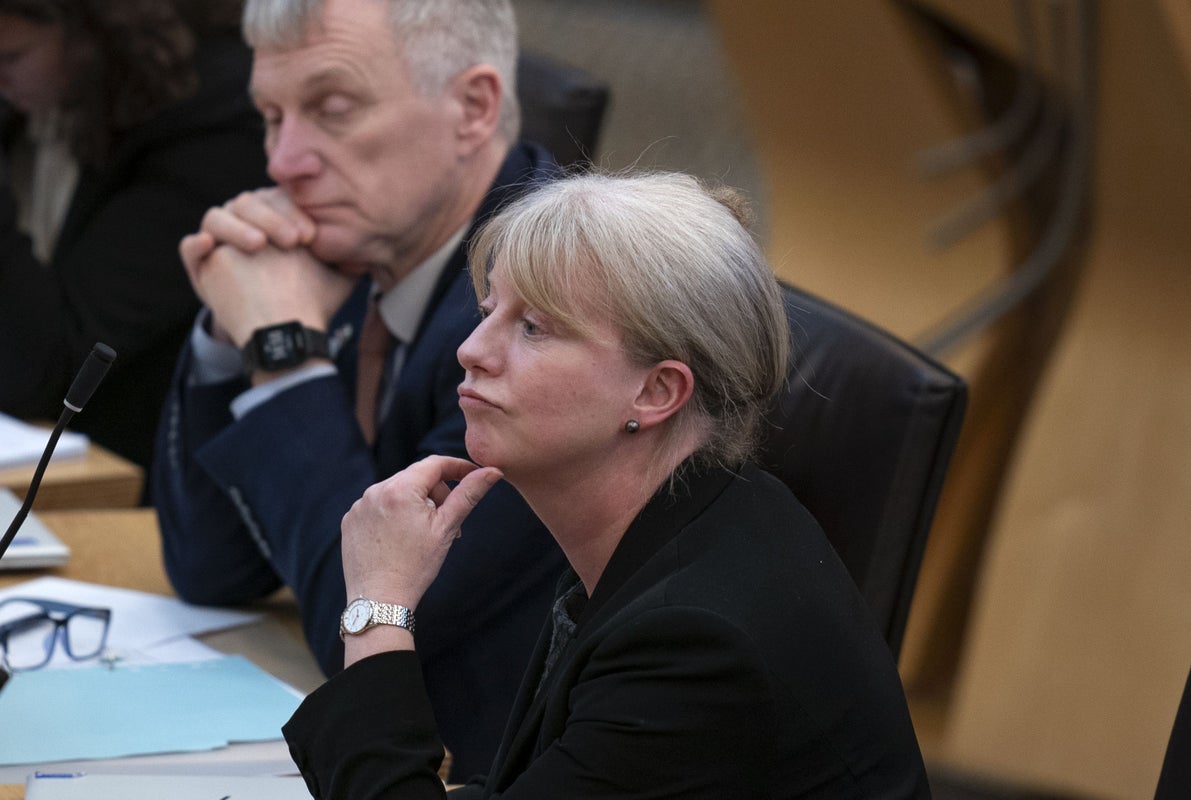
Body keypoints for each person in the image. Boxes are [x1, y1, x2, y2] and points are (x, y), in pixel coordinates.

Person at [283, 171, 933, 798]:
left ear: (656, 391)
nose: (472, 349)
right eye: (488, 311)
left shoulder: (697, 645)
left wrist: (377, 609)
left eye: (533, 327)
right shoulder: (668, 532)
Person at [151, 0, 564, 780]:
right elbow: (211, 570)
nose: (284, 162)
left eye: (333, 109)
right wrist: (228, 336)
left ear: (473, 108)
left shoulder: (549, 316)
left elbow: (369, 631)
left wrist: (281, 353)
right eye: (272, 117)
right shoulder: (368, 243)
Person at [0, 0, 267, 474]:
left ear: (86, 36)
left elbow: (53, 368)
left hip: (136, 467)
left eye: (10, 58)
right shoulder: (29, 105)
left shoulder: (204, 127)